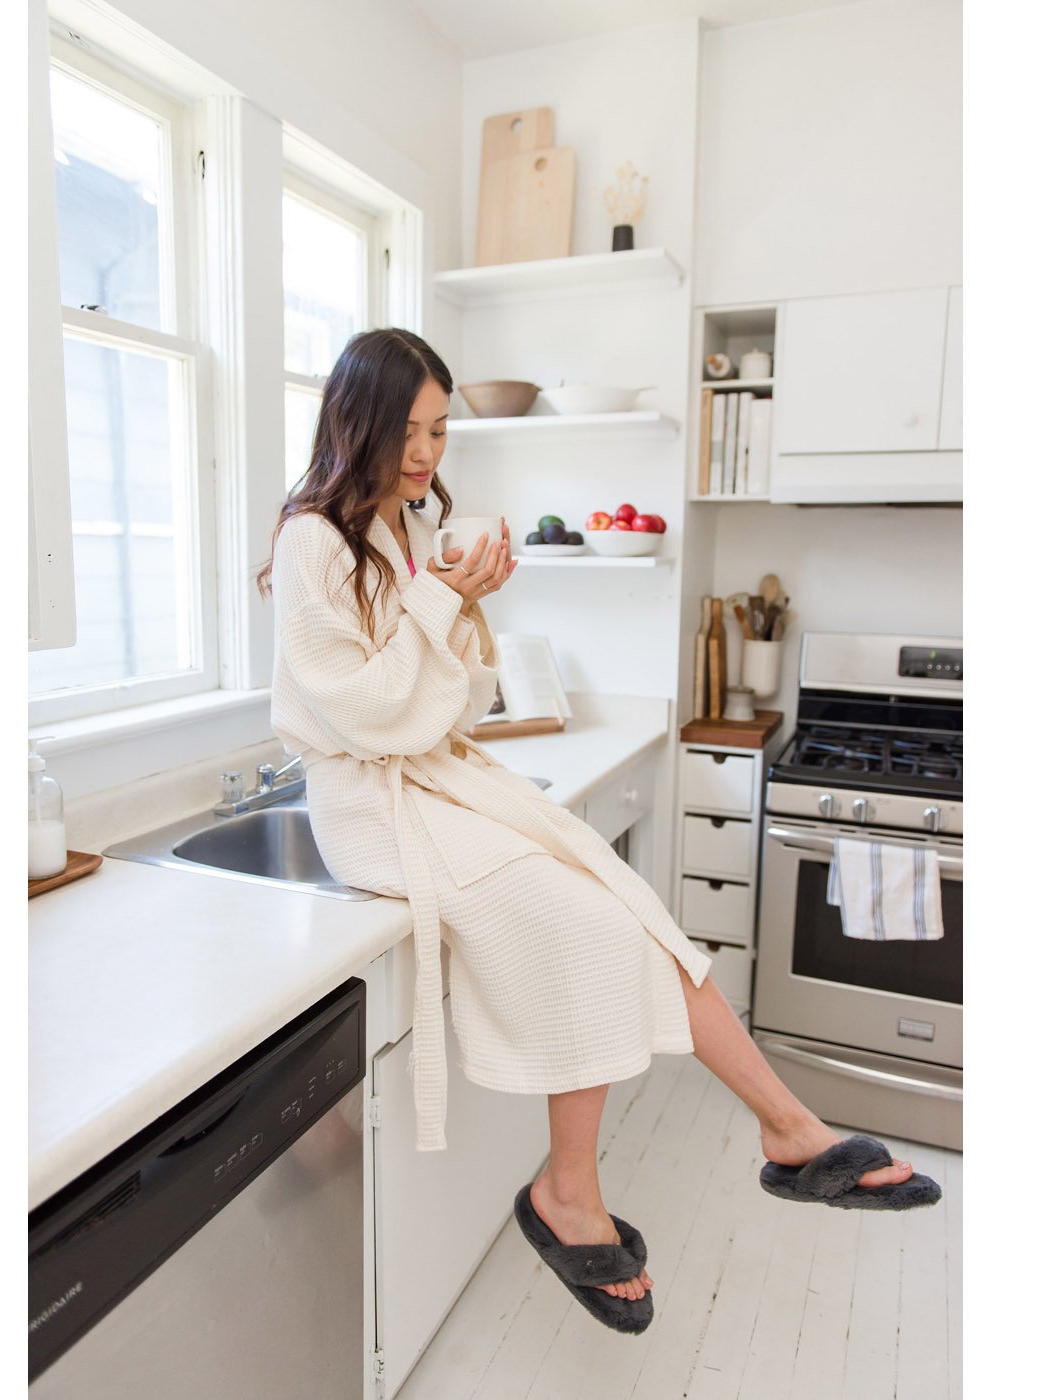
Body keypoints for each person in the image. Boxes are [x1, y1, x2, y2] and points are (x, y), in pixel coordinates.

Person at [259, 327, 929, 1322]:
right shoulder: (312, 537)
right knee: (589, 925)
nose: (425, 454)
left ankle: (787, 1127)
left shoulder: (400, 531)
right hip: (373, 807)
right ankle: (570, 1191)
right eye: (406, 430)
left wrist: (465, 604)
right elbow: (365, 714)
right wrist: (445, 595)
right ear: (351, 418)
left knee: (630, 904)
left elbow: (449, 703)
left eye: (439, 431)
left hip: (434, 776)